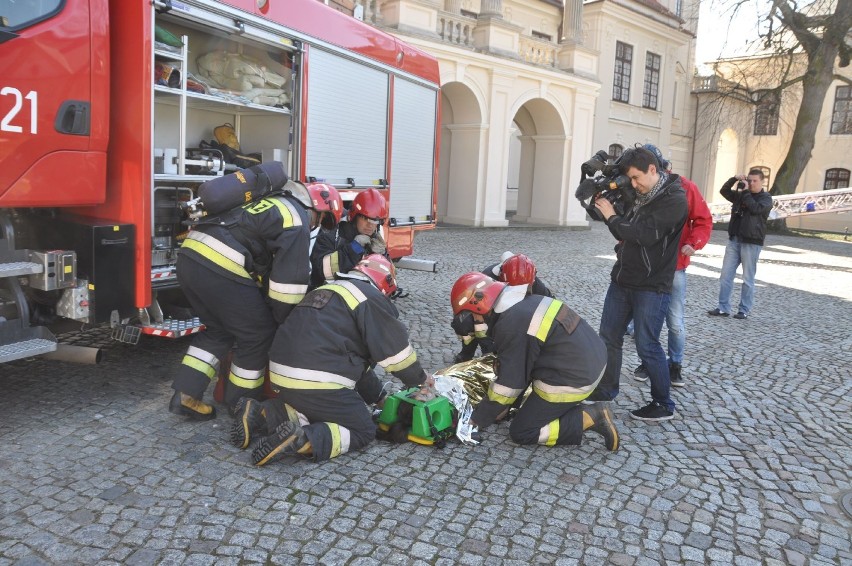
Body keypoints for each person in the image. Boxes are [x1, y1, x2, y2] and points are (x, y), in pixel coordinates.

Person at [233, 254, 435, 465]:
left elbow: (356, 363)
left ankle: (260, 412)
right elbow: (397, 355)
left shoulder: (324, 291)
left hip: (281, 375)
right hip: (319, 379)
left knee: (319, 411)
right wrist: (419, 379)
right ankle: (303, 439)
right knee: (362, 429)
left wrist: (379, 398)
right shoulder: (370, 298)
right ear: (386, 283)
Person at [169, 179, 343, 420]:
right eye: (323, 220)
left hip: (189, 257)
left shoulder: (268, 200)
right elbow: (288, 283)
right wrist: (285, 321)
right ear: (318, 210)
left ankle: (186, 394)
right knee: (257, 335)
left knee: (219, 330)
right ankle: (242, 406)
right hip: (221, 264)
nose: (317, 225)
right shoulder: (297, 218)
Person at [449, 272, 618, 451]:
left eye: (473, 318)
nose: (477, 325)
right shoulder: (520, 303)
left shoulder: (511, 325)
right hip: (590, 358)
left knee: (522, 431)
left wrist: (477, 420)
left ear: (480, 306)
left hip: (574, 378)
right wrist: (504, 408)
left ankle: (590, 416)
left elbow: (509, 384)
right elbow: (523, 362)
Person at [588, 146, 687, 422]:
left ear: (652, 170)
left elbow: (641, 235)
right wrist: (603, 206)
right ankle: (606, 391)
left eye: (635, 177)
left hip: (652, 284)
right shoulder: (640, 194)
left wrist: (611, 215)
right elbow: (621, 231)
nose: (633, 184)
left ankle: (663, 403)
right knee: (608, 337)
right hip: (622, 278)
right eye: (629, 179)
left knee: (647, 344)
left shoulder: (675, 199)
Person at [632, 144, 712, 388]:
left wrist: (693, 243)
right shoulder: (638, 188)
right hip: (646, 265)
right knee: (648, 318)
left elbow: (703, 220)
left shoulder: (686, 188)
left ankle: (675, 364)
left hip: (675, 266)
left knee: (675, 320)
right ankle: (649, 361)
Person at [451, 252, 553, 363]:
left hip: (517, 314)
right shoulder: (487, 278)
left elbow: (550, 307)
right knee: (467, 323)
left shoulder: (535, 284)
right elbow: (477, 312)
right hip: (488, 310)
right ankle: (468, 354)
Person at [708, 170, 773, 319]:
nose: (750, 183)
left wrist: (745, 194)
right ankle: (723, 307)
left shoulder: (766, 198)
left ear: (762, 181)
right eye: (749, 180)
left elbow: (755, 209)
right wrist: (734, 179)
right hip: (734, 240)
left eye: (754, 181)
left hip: (751, 242)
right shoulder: (741, 195)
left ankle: (743, 310)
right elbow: (724, 191)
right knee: (725, 275)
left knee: (747, 279)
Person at [310, 188, 389, 289]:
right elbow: (322, 271)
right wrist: (354, 248)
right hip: (329, 295)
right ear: (354, 216)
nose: (370, 225)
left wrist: (381, 257)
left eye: (375, 222)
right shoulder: (332, 231)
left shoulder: (375, 236)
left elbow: (388, 278)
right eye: (365, 219)